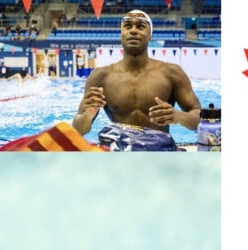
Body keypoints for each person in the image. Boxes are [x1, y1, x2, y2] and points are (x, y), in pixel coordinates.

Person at [72, 10, 201, 151]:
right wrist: (87, 115)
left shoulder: (171, 73)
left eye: (140, 26)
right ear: (121, 35)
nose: (133, 31)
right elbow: (78, 130)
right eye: (128, 26)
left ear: (150, 35)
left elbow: (200, 119)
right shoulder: (100, 76)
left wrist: (178, 116)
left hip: (159, 154)